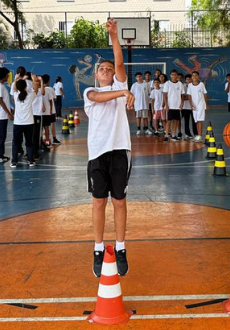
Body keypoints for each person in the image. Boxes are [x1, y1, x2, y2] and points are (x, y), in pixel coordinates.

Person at [83, 18, 134, 278]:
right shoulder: (90, 92)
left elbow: (120, 62)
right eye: (101, 68)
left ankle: (121, 247)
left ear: (114, 75)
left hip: (120, 150)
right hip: (97, 153)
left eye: (109, 68)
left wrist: (114, 35)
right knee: (98, 202)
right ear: (96, 74)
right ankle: (98, 248)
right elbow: (100, 98)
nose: (105, 70)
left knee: (119, 202)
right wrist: (123, 94)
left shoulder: (120, 84)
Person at [11, 78, 37, 168]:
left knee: (15, 143)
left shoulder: (15, 95)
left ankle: (14, 162)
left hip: (18, 123)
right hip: (29, 123)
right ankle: (31, 161)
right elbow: (36, 89)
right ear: (26, 86)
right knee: (29, 143)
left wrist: (15, 79)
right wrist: (34, 79)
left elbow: (14, 89)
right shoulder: (30, 95)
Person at [0, 67, 12, 163]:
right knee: (1, 136)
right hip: (1, 115)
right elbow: (0, 100)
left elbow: (3, 100)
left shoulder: (1, 86)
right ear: (3, 76)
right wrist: (9, 113)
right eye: (7, 75)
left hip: (2, 114)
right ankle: (0, 156)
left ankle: (1, 155)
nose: (8, 76)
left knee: (2, 136)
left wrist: (10, 109)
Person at [162, 69, 184, 142]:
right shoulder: (167, 83)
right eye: (172, 74)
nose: (174, 76)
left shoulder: (180, 84)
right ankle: (166, 135)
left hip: (177, 106)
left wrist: (182, 104)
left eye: (175, 74)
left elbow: (182, 94)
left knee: (176, 121)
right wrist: (166, 104)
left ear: (177, 75)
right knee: (169, 121)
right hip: (170, 106)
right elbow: (165, 95)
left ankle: (173, 135)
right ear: (170, 75)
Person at [187, 71, 208, 142]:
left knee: (200, 121)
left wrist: (205, 104)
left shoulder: (201, 84)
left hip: (201, 105)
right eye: (193, 75)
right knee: (196, 121)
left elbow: (205, 94)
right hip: (194, 106)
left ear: (198, 77)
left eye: (196, 75)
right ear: (191, 77)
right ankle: (198, 135)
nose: (194, 77)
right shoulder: (190, 85)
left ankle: (200, 136)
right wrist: (191, 104)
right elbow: (189, 95)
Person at [42, 74, 60, 145]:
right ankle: (54, 138)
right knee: (51, 124)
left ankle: (44, 139)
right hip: (51, 110)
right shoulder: (50, 89)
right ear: (48, 81)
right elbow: (54, 99)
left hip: (42, 111)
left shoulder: (39, 89)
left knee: (43, 126)